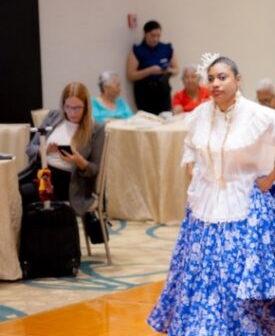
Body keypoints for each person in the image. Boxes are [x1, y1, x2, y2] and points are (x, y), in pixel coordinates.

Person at [147, 55, 275, 336]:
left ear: (238, 79)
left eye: (223, 77)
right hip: (203, 212)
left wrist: (271, 177)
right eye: (211, 78)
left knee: (234, 288)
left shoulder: (261, 116)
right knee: (201, 286)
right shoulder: (199, 116)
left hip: (243, 210)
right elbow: (190, 151)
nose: (216, 84)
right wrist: (195, 177)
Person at [20, 82, 106, 216]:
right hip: (40, 171)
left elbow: (94, 169)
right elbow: (30, 148)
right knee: (8, 189)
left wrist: (79, 161)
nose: (72, 113)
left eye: (77, 108)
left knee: (23, 193)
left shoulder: (96, 129)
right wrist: (46, 150)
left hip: (67, 181)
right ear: (63, 105)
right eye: (68, 107)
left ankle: (32, 235)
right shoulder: (54, 115)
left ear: (86, 107)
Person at [127, 20, 178, 114]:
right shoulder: (137, 50)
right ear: (145, 34)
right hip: (144, 91)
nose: (155, 39)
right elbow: (130, 75)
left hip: (163, 89)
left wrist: (167, 70)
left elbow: (176, 70)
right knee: (147, 119)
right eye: (152, 35)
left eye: (158, 36)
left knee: (165, 117)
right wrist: (150, 71)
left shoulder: (166, 48)